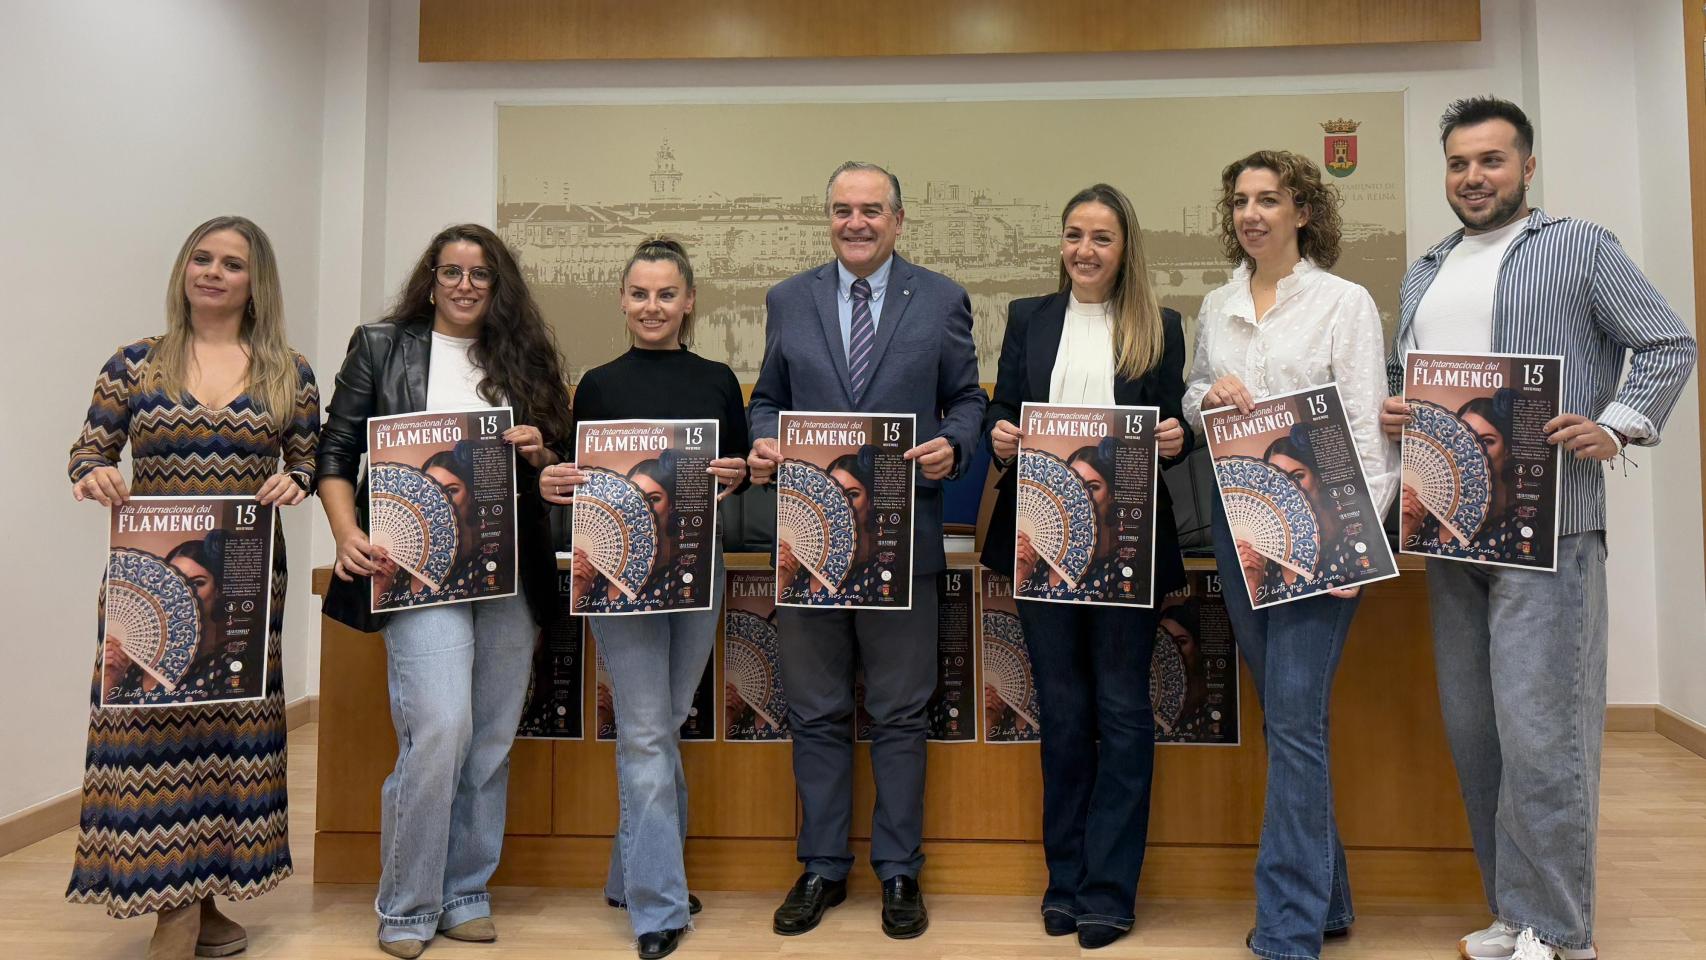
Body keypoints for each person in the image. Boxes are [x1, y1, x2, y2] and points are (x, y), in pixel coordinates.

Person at [1379, 97, 1696, 960]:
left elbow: (1669, 343)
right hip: (1450, 528)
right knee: (1477, 730)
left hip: (1548, 527)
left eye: (1490, 160)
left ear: (1526, 166)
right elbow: (1404, 375)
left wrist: (1618, 424)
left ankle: (1562, 934)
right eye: (1458, 163)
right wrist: (1398, 406)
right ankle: (1513, 914)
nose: (1473, 177)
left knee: (1542, 732)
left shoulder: (1580, 248)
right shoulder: (1426, 268)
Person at [65, 215, 320, 960]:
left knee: (223, 738)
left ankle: (202, 899)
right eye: (201, 259)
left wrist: (296, 479)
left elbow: (307, 459)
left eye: (232, 264)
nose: (213, 272)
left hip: (240, 587)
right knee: (148, 733)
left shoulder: (288, 372)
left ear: (254, 281)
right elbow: (88, 449)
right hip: (147, 582)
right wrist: (96, 474)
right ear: (185, 270)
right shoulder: (134, 364)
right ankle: (171, 908)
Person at [317, 223, 573, 958]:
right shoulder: (380, 346)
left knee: (489, 739)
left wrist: (538, 448)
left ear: (499, 286)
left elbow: (558, 462)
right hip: (416, 569)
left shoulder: (522, 359)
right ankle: (407, 902)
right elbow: (337, 453)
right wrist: (345, 532)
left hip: (508, 572)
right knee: (439, 728)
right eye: (452, 271)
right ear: (431, 278)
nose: (465, 285)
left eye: (481, 274)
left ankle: (465, 891)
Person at [747, 160, 986, 940]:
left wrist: (955, 442)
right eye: (844, 210)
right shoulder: (789, 299)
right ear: (830, 219)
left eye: (872, 210)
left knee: (899, 714)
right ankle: (820, 867)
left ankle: (899, 871)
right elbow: (767, 400)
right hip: (808, 540)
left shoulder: (942, 298)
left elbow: (968, 399)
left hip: (901, 538)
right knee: (815, 712)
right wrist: (763, 442)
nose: (857, 223)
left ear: (898, 220)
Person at [1182, 150, 1395, 960]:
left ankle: (1287, 926)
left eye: (1269, 200)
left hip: (1325, 538)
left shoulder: (1343, 302)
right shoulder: (1218, 302)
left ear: (1303, 211)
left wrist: (1357, 549)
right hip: (1245, 537)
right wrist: (1212, 397)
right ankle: (1330, 898)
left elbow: (1372, 434)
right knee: (1288, 720)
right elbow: (1194, 392)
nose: (1252, 214)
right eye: (1240, 200)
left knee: (1298, 722)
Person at [983, 183, 1193, 949]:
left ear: (1125, 248)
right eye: (1074, 234)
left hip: (1127, 551)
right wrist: (1001, 434)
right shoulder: (1028, 319)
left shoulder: (1159, 327)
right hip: (1042, 542)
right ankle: (1064, 882)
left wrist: (1177, 440)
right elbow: (1001, 411)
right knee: (1064, 716)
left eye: (1102, 237)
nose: (1085, 250)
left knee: (1124, 714)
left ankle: (1110, 888)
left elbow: (1179, 427)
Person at [540, 237, 749, 960]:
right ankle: (659, 906)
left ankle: (631, 875)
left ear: (689, 302)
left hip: (698, 573)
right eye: (640, 293)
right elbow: (578, 478)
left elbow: (741, 474)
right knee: (648, 732)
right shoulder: (595, 385)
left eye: (667, 294)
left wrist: (738, 472)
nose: (652, 306)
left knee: (661, 723)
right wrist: (557, 478)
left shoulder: (721, 379)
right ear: (622, 300)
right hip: (619, 574)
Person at [1401, 390, 1522, 555]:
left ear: (1507, 450)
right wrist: (1408, 530)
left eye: (1487, 441)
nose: (1474, 450)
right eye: (1465, 440)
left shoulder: (1517, 528)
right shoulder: (1429, 519)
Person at [776, 448, 882, 602]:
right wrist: (784, 580)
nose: (842, 504)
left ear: (871, 502)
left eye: (852, 494)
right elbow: (786, 615)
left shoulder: (877, 574)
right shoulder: (801, 568)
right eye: (834, 494)